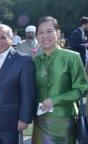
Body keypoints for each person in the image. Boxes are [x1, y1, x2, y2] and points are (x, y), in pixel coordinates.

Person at [32, 16, 88, 144]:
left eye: (49, 31)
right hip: (40, 120)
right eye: (40, 32)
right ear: (37, 36)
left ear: (58, 33)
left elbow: (82, 89)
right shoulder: (35, 61)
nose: (45, 36)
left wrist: (55, 100)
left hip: (64, 121)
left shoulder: (72, 57)